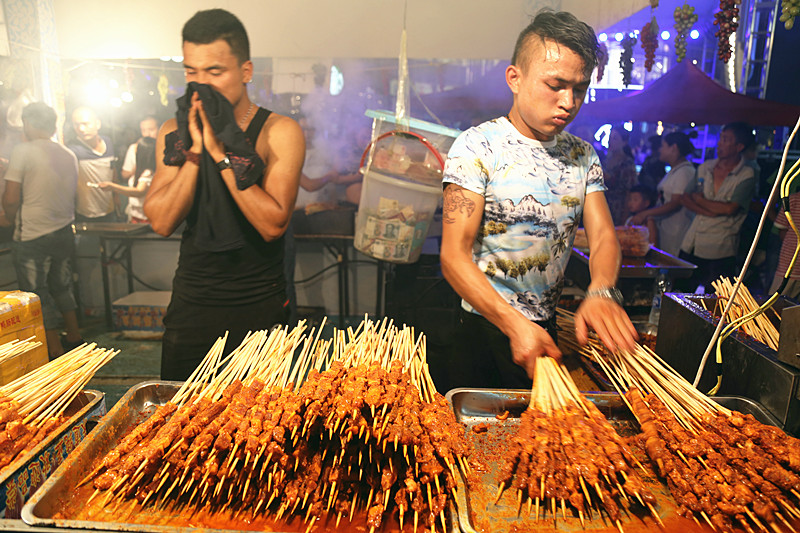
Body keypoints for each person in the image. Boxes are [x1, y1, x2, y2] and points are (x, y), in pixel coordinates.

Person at [440, 10, 637, 389]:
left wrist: (602, 290)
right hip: (484, 327)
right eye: (555, 85)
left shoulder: (582, 155)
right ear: (515, 78)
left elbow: (602, 237)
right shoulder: (477, 146)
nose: (569, 102)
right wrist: (513, 324)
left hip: (545, 328)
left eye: (579, 89)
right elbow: (453, 256)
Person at [144, 8, 304, 381]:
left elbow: (272, 225)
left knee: (261, 415)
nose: (202, 85)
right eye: (191, 72)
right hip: (192, 303)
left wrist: (220, 152)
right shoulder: (173, 131)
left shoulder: (278, 131)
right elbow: (161, 220)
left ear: (245, 71)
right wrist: (196, 152)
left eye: (215, 72)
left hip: (258, 304)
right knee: (182, 413)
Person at [2, 103, 83, 359]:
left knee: (36, 293)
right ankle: (74, 336)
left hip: (32, 234)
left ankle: (54, 348)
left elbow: (11, 198)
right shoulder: (68, 153)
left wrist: (11, 219)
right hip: (63, 230)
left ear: (28, 123)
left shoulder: (23, 151)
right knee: (62, 285)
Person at [678, 122, 756, 292]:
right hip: (692, 242)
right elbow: (685, 197)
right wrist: (707, 210)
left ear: (739, 147)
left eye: (726, 140)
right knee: (680, 292)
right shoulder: (706, 167)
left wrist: (700, 200)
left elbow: (729, 209)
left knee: (716, 299)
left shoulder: (746, 174)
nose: (720, 143)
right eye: (721, 138)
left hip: (721, 247)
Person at [628, 131, 696, 256]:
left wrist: (645, 213)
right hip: (667, 229)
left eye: (663, 146)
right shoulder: (675, 170)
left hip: (677, 230)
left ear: (673, 148)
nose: (660, 150)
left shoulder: (684, 172)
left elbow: (675, 202)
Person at [68, 106, 117, 222]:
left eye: (86, 124)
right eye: (76, 125)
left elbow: (112, 169)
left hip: (109, 209)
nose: (81, 129)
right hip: (86, 213)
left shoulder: (108, 142)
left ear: (98, 124)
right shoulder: (73, 150)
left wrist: (116, 196)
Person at [98, 136, 156, 223]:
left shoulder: (148, 172)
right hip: (136, 215)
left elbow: (139, 191)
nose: (134, 149)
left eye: (137, 147)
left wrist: (112, 186)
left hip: (143, 218)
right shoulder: (141, 169)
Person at [602, 125, 638, 226]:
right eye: (610, 137)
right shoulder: (605, 161)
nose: (610, 141)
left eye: (615, 138)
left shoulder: (627, 163)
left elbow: (629, 191)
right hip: (604, 205)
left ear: (624, 142)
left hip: (619, 208)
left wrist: (625, 216)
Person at [768, 191, 800, 301]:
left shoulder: (792, 199)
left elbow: (782, 230)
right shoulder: (792, 200)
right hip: (790, 263)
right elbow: (782, 229)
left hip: (790, 262)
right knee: (778, 301)